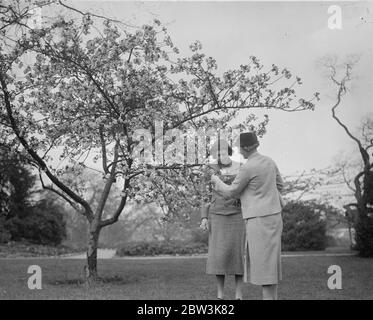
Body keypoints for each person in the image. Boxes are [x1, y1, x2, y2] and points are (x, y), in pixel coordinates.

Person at [211, 132, 284, 300]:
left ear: (246, 147)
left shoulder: (248, 167)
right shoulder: (269, 161)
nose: (238, 150)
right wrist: (264, 195)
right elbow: (279, 185)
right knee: (271, 264)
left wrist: (216, 180)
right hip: (274, 217)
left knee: (263, 265)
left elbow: (230, 192)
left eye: (239, 147)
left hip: (258, 219)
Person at [200, 139, 245, 300]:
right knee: (219, 256)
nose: (220, 156)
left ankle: (238, 294)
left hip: (238, 215)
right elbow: (204, 196)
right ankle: (220, 294)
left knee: (238, 255)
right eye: (217, 154)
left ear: (230, 152)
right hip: (217, 216)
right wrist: (204, 217)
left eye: (223, 152)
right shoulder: (209, 170)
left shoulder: (241, 167)